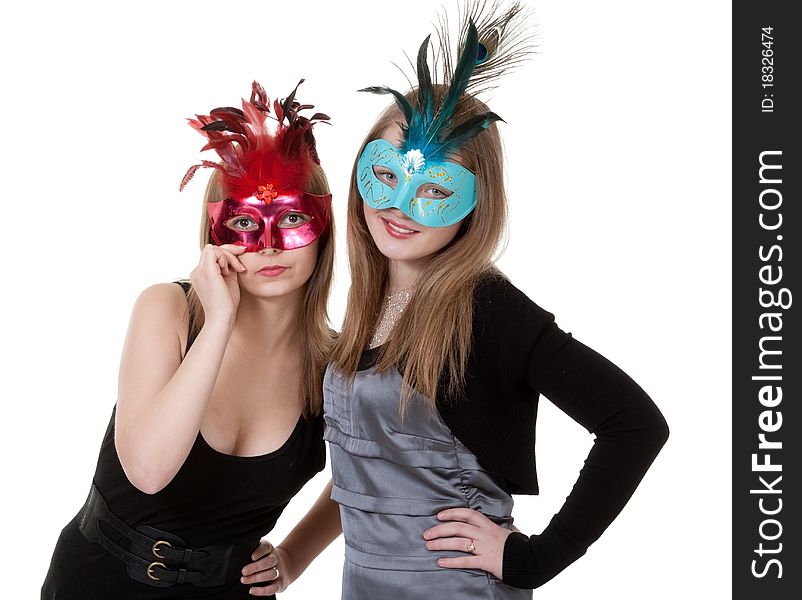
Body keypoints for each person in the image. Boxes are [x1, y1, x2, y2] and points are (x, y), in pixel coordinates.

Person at [41, 80, 337, 599]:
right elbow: (148, 470)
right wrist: (218, 322)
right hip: (97, 583)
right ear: (215, 233)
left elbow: (372, 476)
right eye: (244, 221)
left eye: (291, 217)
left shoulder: (336, 367)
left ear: (323, 225)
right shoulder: (168, 310)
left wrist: (294, 556)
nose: (268, 245)